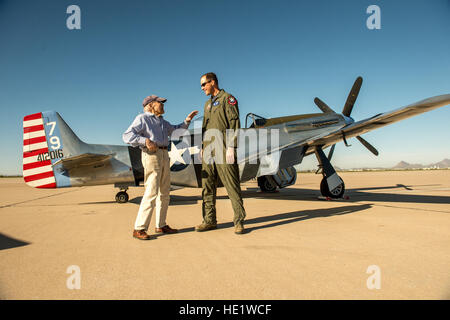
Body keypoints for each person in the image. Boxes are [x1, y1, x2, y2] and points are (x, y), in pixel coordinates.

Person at [123, 95, 198, 240]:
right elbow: (127, 136)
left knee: (164, 192)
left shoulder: (162, 121)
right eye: (160, 103)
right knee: (151, 192)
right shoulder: (142, 119)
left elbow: (176, 131)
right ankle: (139, 228)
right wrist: (144, 140)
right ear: (150, 105)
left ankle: (161, 225)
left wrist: (187, 121)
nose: (163, 105)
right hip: (151, 155)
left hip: (164, 155)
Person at [196, 72, 247, 234]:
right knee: (207, 186)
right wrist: (203, 146)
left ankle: (239, 221)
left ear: (213, 82)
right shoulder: (207, 104)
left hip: (224, 147)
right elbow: (205, 128)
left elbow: (234, 123)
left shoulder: (228, 99)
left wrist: (232, 146)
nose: (202, 88)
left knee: (231, 184)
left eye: (204, 84)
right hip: (209, 149)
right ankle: (209, 220)